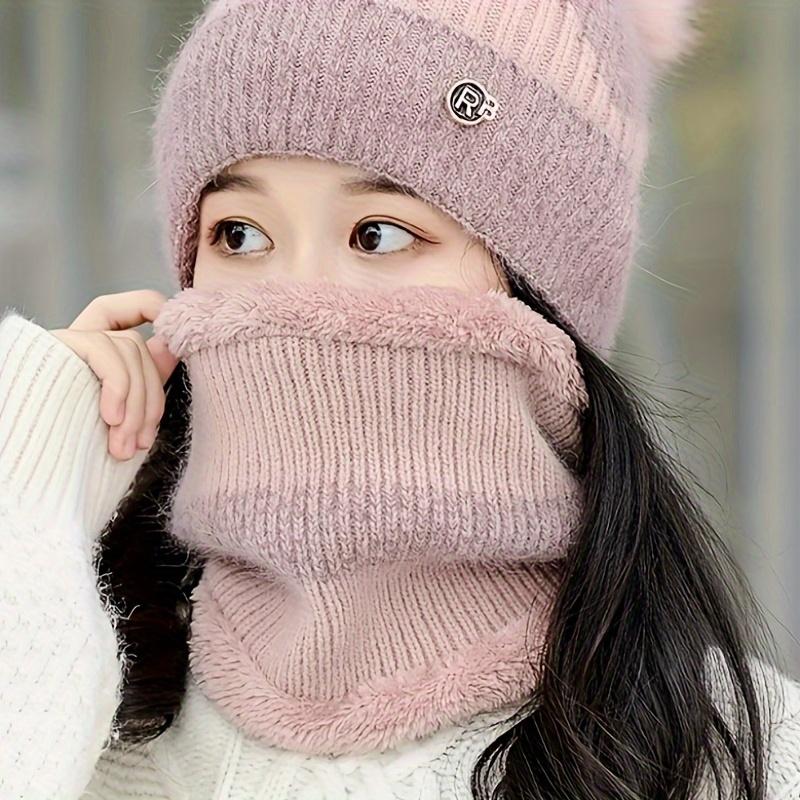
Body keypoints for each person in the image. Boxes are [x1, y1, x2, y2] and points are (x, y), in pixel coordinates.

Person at [1, 1, 799, 798]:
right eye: (239, 235)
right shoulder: (80, 704)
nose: (293, 296)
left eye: (377, 234)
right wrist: (28, 484)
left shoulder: (745, 758)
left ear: (541, 295)